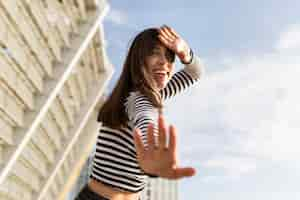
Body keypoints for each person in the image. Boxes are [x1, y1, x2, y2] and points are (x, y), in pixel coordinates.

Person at [75, 25, 204, 200]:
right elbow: (145, 120)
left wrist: (184, 52)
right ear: (138, 59)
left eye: (169, 57)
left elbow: (195, 72)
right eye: (154, 53)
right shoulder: (138, 99)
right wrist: (153, 152)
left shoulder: (154, 93)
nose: (164, 62)